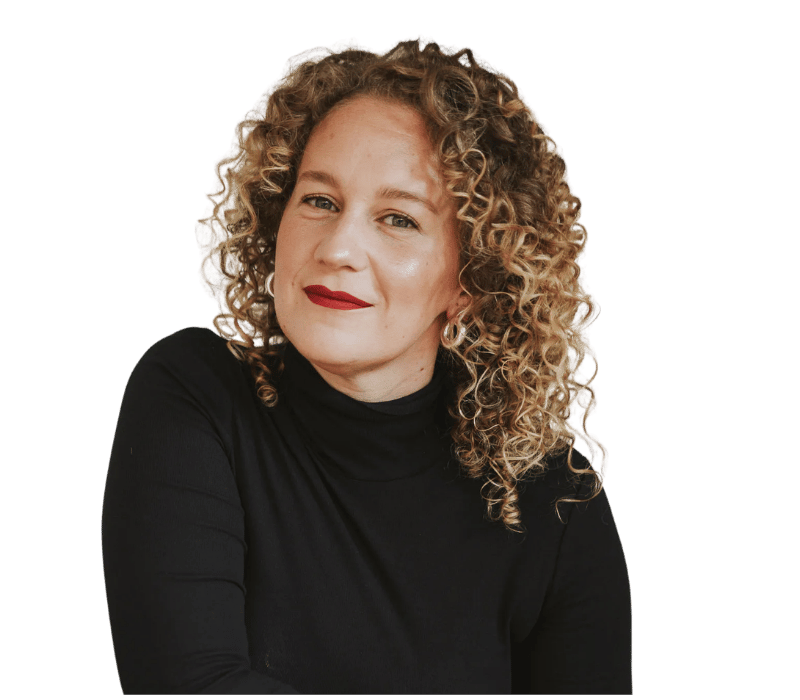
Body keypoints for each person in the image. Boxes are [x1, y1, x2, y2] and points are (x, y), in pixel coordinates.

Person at [101, 35, 632, 694]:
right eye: (320, 201)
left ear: (471, 281)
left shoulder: (556, 498)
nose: (339, 248)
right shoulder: (195, 393)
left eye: (398, 219)